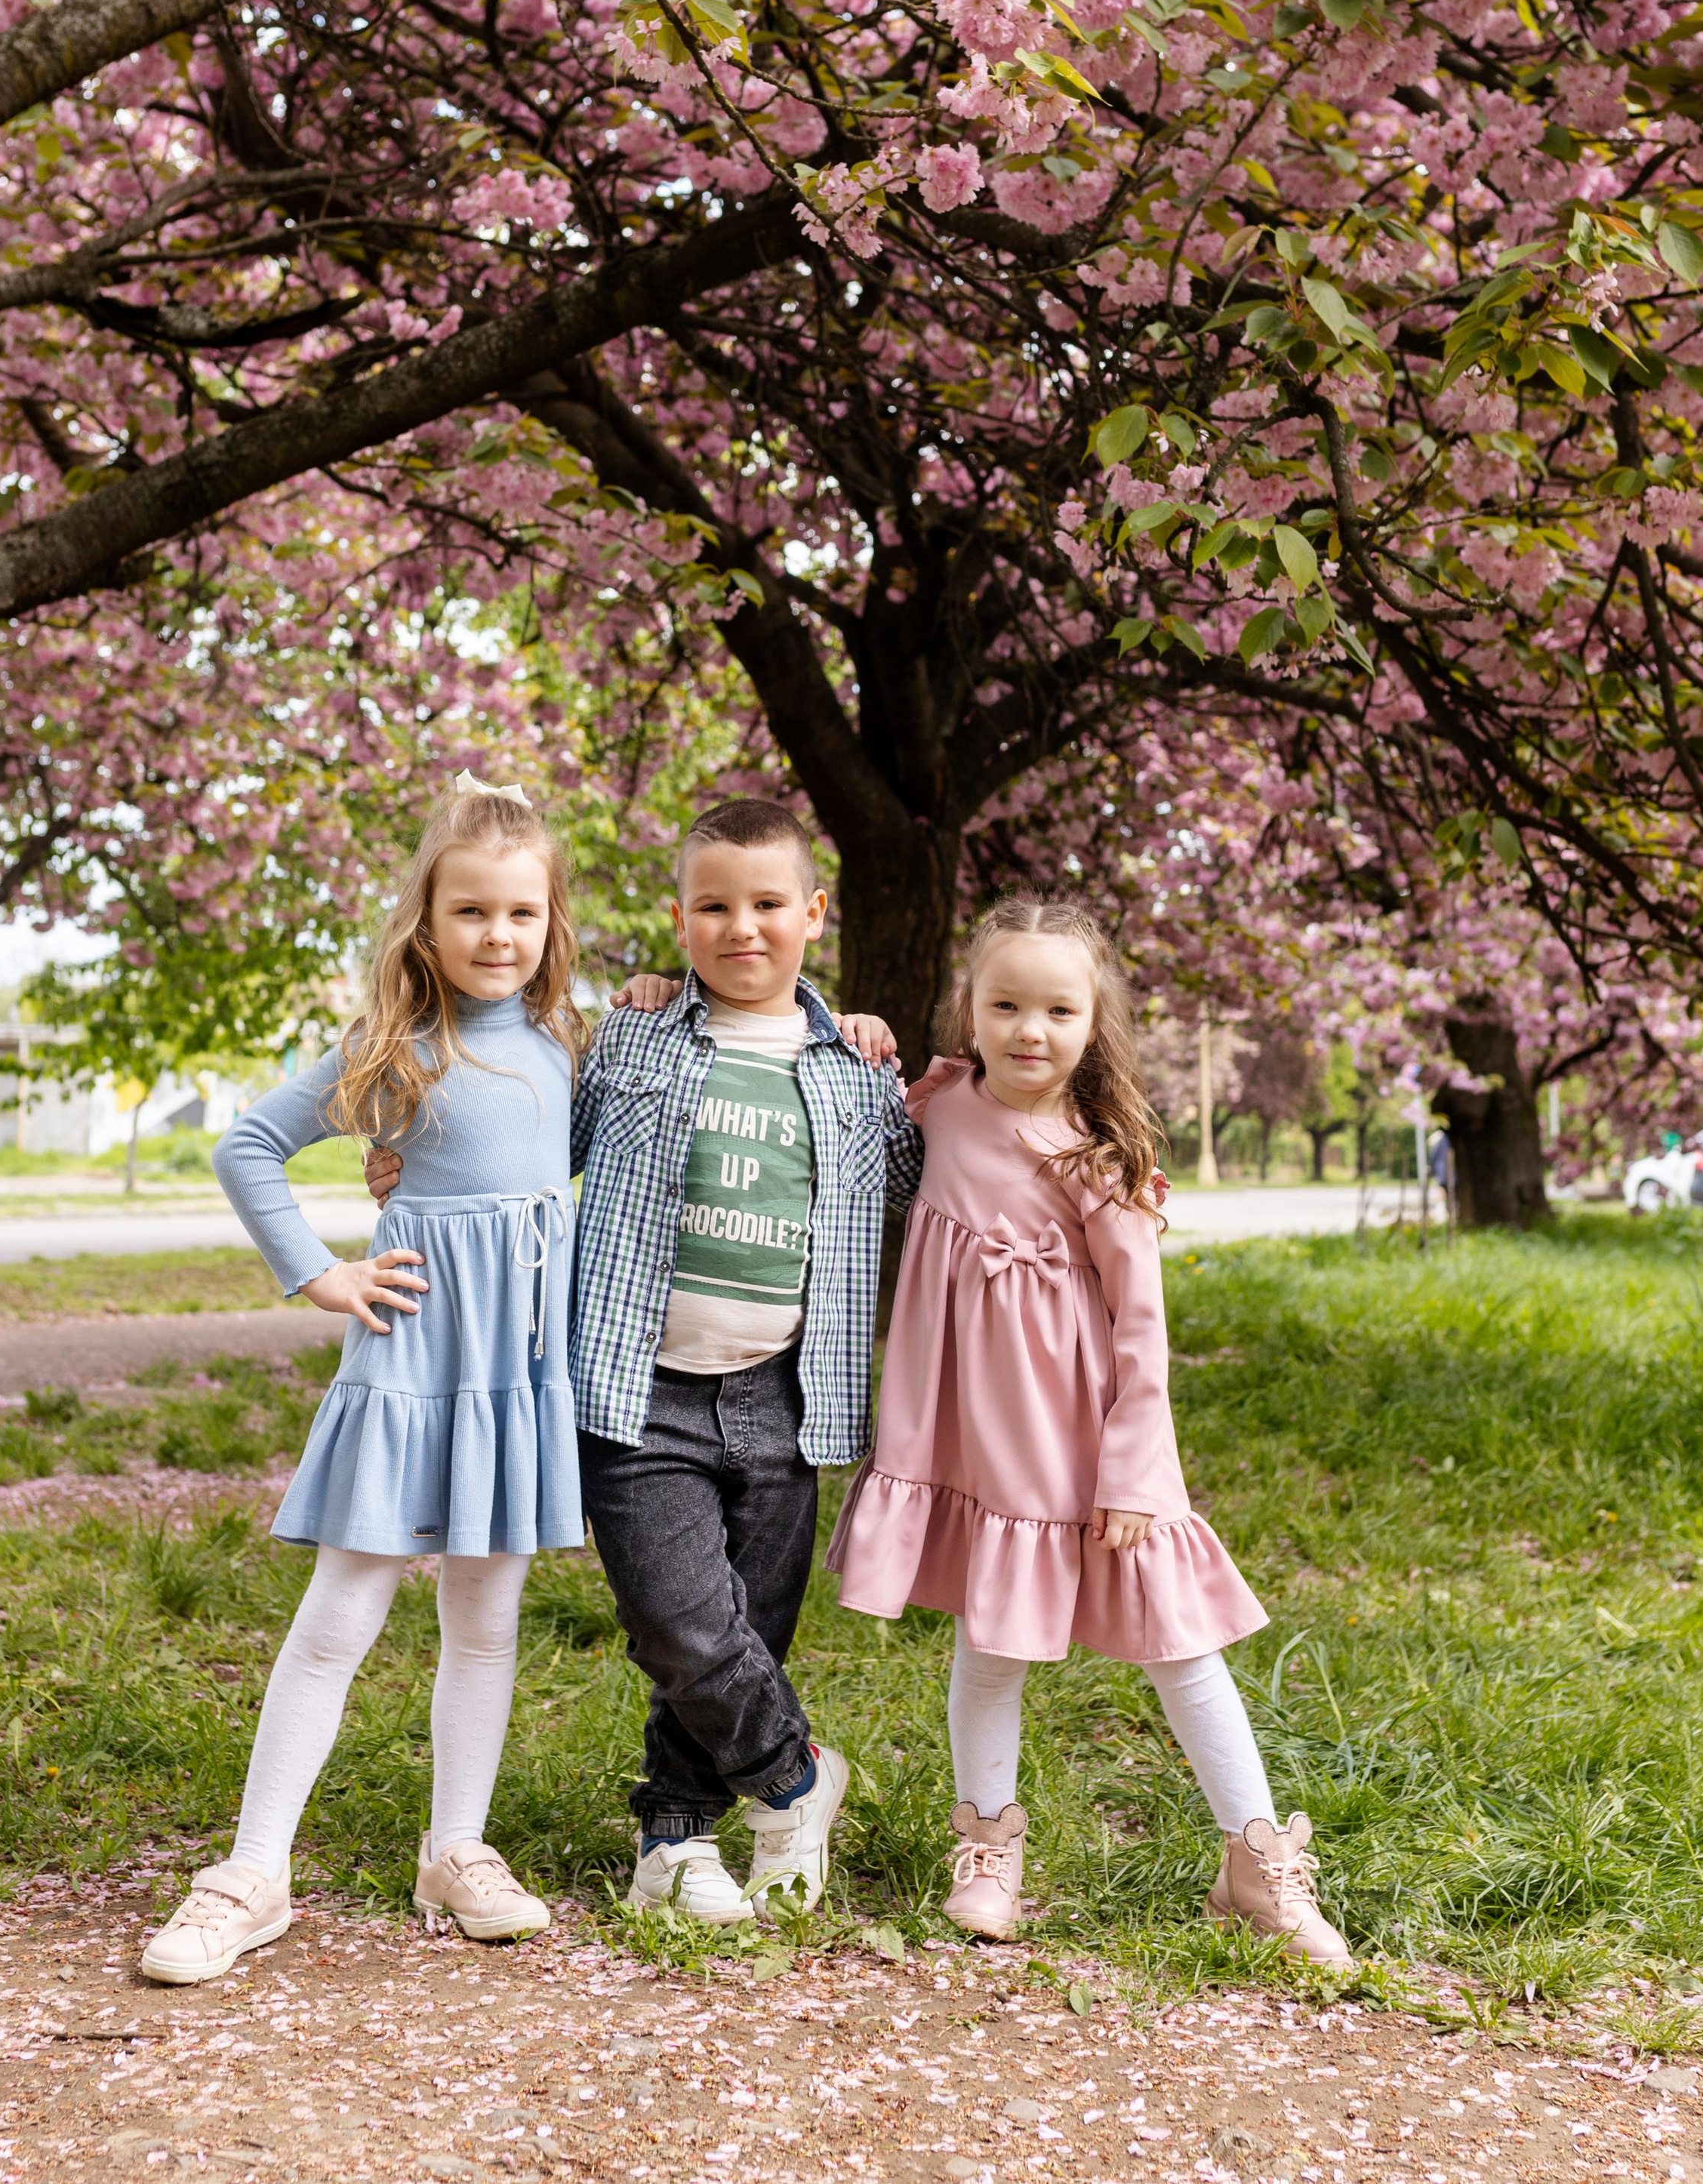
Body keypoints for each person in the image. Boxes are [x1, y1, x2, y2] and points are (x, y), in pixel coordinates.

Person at [367, 795, 920, 1928]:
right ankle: (797, 1780)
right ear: (678, 918)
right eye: (713, 906)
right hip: (637, 1384)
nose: (742, 928)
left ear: (814, 913)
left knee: (743, 1630)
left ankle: (675, 1840)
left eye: (769, 904)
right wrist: (416, 1169)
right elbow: (524, 1144)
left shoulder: (862, 1072)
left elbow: (936, 1184)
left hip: (786, 1391)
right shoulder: (624, 1040)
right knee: (676, 1621)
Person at [829, 895, 1354, 1970]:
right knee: (993, 1647)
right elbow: (823, 1075)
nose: (1030, 1030)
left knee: (1178, 1645)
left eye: (1058, 1010)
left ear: (1092, 1023)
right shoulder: (935, 1106)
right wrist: (837, 1029)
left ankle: (1259, 1864)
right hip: (976, 1445)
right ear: (968, 1010)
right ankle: (989, 1848)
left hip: (1090, 1448)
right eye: (1007, 1004)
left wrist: (1131, 1472)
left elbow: (1142, 1336)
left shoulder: (1099, 1162)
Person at [139, 776, 584, 1985]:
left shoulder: (570, 1042)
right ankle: (252, 1872)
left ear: (553, 924)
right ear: (426, 925)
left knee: (485, 1624)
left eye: (522, 915)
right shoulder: (396, 1054)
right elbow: (249, 1144)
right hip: (416, 1358)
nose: (499, 937)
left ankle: (458, 1849)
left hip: (521, 1375)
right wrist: (319, 1275)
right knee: (341, 1614)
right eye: (473, 913)